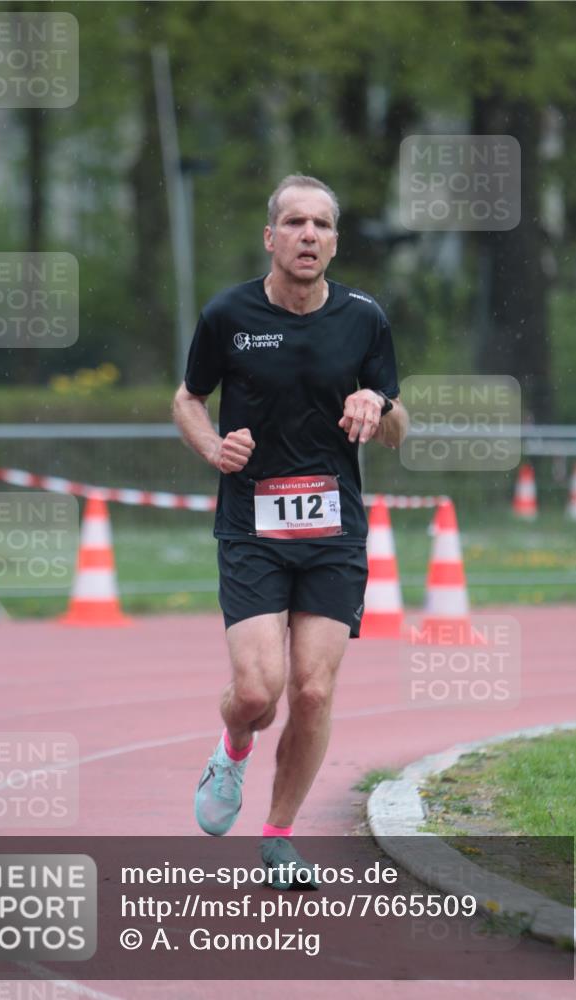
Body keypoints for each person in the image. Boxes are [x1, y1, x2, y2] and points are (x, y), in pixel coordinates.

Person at [172, 174, 408, 886]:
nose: (309, 236)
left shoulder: (364, 319)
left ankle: (276, 835)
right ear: (270, 237)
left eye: (322, 226)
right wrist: (212, 447)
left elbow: (397, 431)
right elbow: (187, 398)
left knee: (310, 691)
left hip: (333, 529)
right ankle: (232, 748)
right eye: (295, 223)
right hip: (251, 524)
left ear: (334, 242)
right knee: (258, 692)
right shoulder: (228, 315)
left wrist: (377, 402)